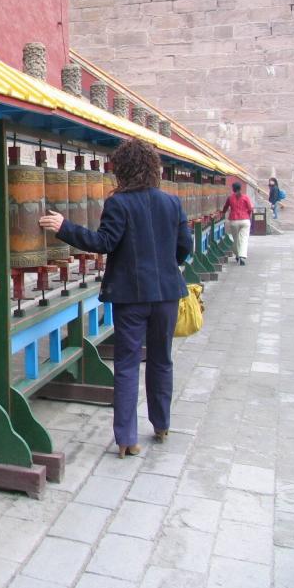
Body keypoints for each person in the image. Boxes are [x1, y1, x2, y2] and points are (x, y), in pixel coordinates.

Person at [39, 138, 191, 459]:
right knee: (162, 359)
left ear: (122, 169)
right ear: (153, 168)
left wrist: (65, 227)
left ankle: (126, 438)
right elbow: (184, 249)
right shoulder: (172, 203)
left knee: (127, 364)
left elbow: (104, 242)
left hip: (130, 297)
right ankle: (162, 424)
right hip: (166, 295)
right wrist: (165, 267)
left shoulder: (119, 204)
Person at [220, 181, 253, 264]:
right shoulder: (245, 197)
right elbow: (250, 209)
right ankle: (242, 256)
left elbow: (225, 208)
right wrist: (248, 216)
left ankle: (237, 255)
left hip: (234, 221)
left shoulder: (230, 198)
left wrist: (222, 213)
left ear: (233, 189)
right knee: (244, 239)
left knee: (236, 239)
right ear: (240, 188)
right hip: (245, 220)